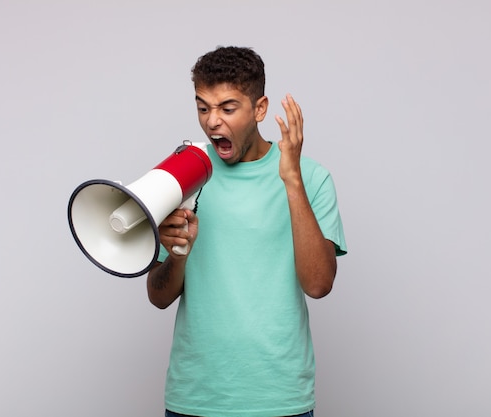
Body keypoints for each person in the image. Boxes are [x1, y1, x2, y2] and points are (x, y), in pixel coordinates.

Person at [147, 46, 347, 417]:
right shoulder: (184, 175)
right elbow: (158, 297)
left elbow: (319, 285)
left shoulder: (312, 178)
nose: (211, 122)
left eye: (227, 108)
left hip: (279, 400)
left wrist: (291, 181)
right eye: (203, 107)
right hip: (195, 399)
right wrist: (178, 255)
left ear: (259, 109)